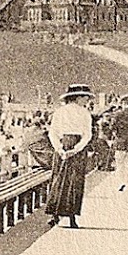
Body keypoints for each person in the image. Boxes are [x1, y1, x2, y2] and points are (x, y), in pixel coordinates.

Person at [46, 84, 95, 227]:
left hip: (63, 144)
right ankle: (72, 217)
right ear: (78, 98)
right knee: (74, 181)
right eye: (85, 98)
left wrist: (60, 149)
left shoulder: (59, 112)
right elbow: (87, 135)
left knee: (59, 179)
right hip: (77, 146)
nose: (87, 101)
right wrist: (76, 149)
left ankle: (55, 214)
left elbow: (52, 133)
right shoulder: (85, 113)